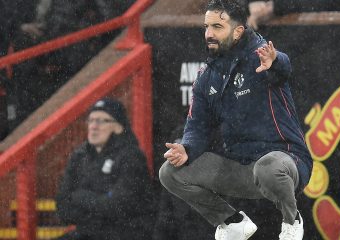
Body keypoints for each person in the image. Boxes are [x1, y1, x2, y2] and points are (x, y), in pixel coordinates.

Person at [159, 0, 313, 240]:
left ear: (238, 31)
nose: (209, 34)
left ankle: (292, 221)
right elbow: (197, 127)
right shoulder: (205, 77)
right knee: (169, 172)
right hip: (240, 168)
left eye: (217, 27)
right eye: (206, 26)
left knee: (268, 167)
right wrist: (186, 148)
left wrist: (275, 62)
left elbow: (283, 66)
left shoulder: (260, 56)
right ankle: (232, 223)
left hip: (285, 163)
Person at [56, 98, 154, 240]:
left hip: (124, 235)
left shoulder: (132, 157)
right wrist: (99, 202)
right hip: (86, 233)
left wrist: (80, 197)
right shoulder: (79, 157)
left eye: (101, 121)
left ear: (118, 127)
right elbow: (63, 209)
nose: (93, 126)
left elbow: (117, 207)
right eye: (91, 120)